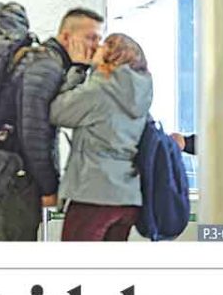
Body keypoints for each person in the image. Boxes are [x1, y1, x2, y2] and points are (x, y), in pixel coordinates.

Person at [0, 8, 104, 241]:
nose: (96, 46)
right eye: (90, 37)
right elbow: (34, 133)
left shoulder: (46, 61)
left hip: (5, 168)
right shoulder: (46, 66)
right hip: (16, 176)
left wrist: (80, 68)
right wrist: (49, 186)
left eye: (99, 39)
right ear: (66, 36)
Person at [50, 33, 153, 241]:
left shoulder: (100, 90)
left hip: (95, 193)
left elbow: (56, 112)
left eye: (100, 47)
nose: (94, 49)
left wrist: (78, 69)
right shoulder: (141, 94)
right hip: (128, 196)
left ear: (111, 56)